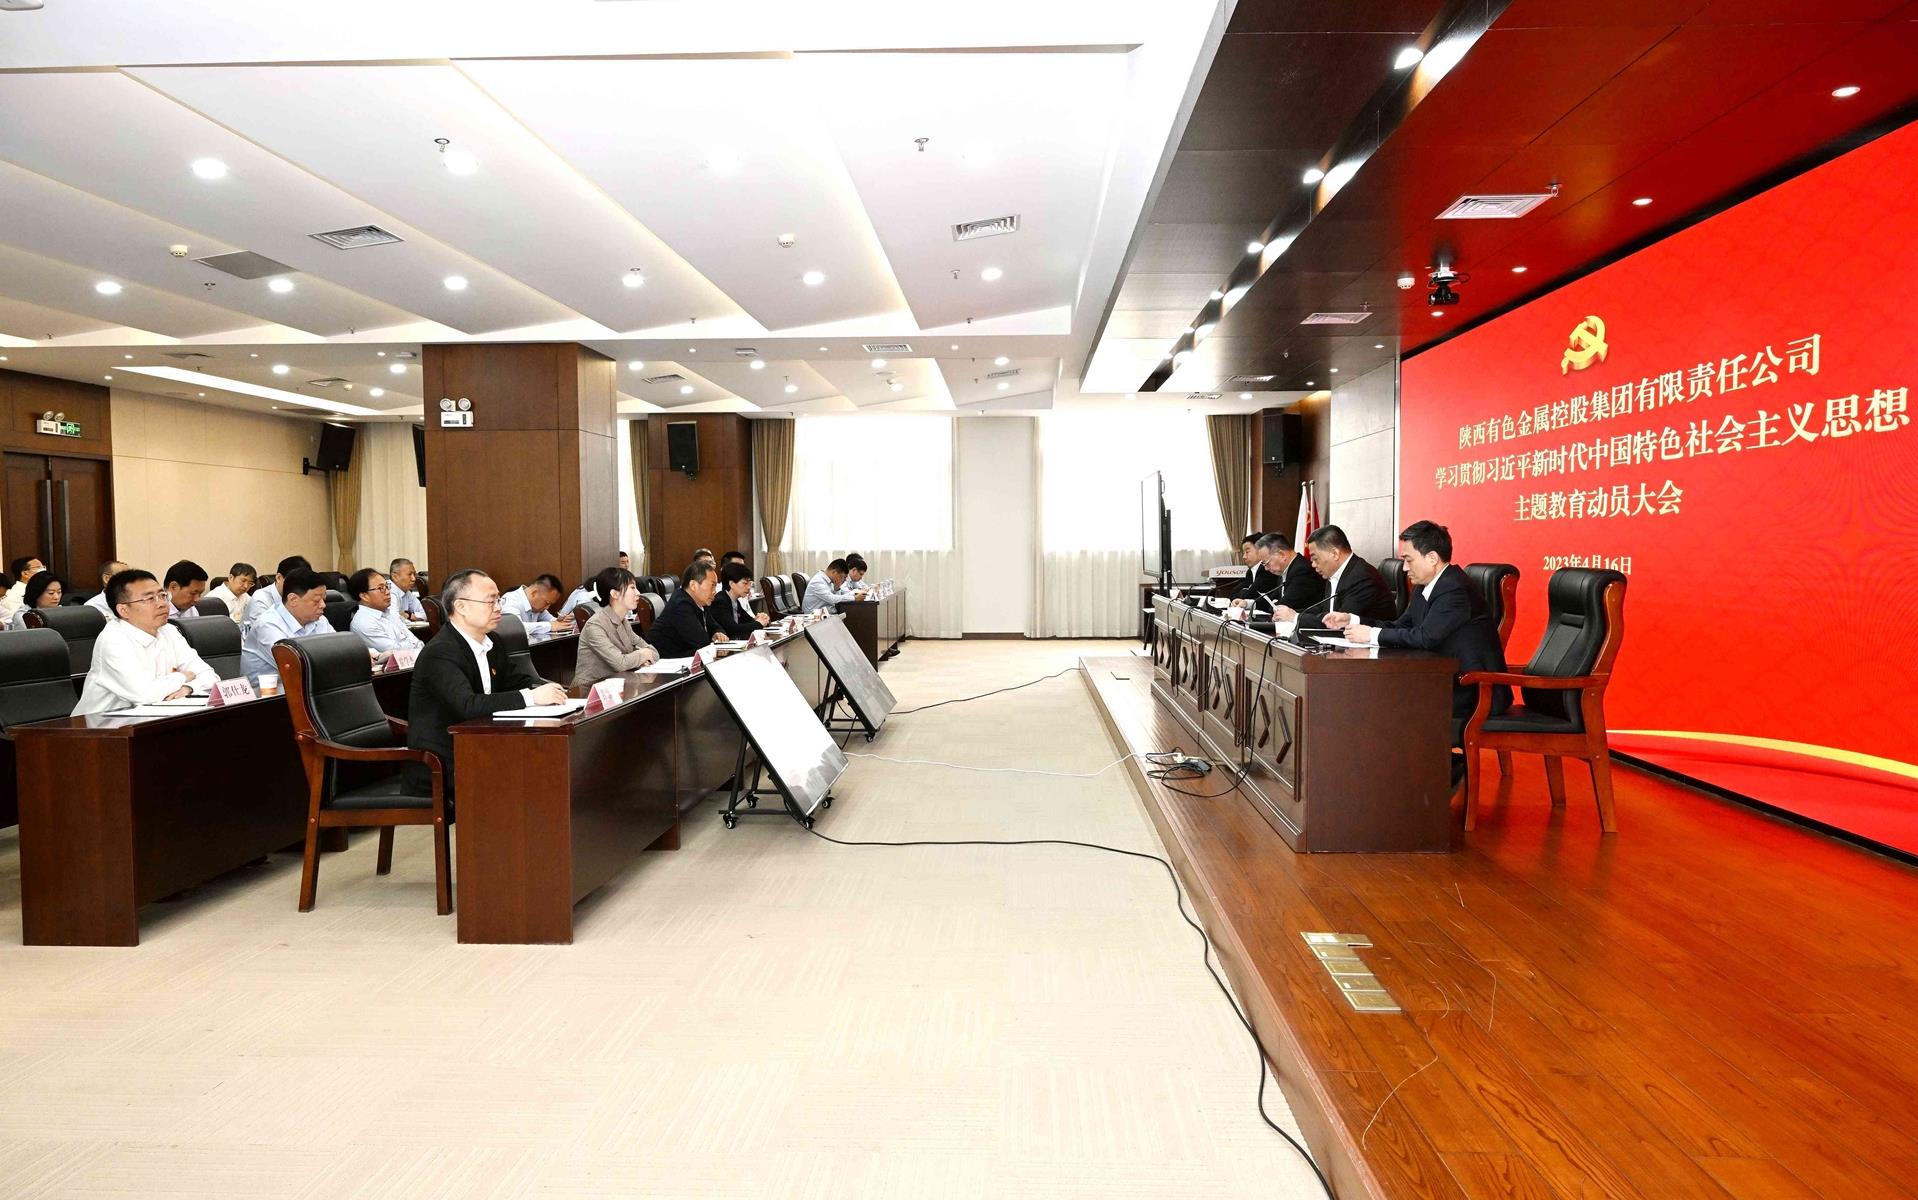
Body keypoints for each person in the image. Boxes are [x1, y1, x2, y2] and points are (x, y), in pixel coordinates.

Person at [1335, 520, 1511, 738]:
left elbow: (1425, 637)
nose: (1404, 568)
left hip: (1474, 689)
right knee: (1378, 694)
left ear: (1432, 558)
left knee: (1387, 700)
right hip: (1444, 680)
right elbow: (1400, 626)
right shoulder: (1425, 586)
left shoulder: (1455, 589)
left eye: (1408, 560)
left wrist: (1371, 634)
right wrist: (1353, 620)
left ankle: (1415, 759)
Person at [406, 568, 567, 800]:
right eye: (490, 601)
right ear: (461, 606)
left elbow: (517, 681)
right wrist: (532, 697)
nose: (499, 607)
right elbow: (468, 705)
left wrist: (551, 692)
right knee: (532, 775)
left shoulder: (493, 641)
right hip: (443, 764)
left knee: (548, 765)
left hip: (482, 748)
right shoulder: (440, 652)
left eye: (499, 600)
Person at [73, 568, 219, 715]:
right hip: (99, 724)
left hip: (153, 718)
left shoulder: (169, 630)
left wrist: (188, 688)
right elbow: (144, 695)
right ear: (124, 610)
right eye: (149, 599)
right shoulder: (113, 640)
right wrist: (183, 676)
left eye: (162, 595)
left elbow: (210, 676)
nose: (162, 604)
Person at [1288, 525, 1395, 628]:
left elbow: (1336, 622)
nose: (1313, 565)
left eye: (1315, 559)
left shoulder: (1363, 577)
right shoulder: (1335, 573)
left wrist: (1296, 618)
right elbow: (1325, 609)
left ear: (1335, 554)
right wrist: (1293, 613)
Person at [572, 567, 660, 689]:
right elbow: (620, 663)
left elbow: (653, 652)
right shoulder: (595, 626)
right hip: (589, 690)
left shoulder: (623, 621)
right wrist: (642, 655)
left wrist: (642, 656)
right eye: (632, 588)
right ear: (614, 594)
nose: (638, 593)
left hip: (616, 685)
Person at [240, 567, 332, 678]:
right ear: (293, 600)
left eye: (324, 599)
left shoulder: (320, 620)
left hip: (311, 684)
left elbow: (338, 652)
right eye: (316, 601)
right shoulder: (268, 625)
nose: (323, 605)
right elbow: (296, 666)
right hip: (271, 688)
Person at [650, 559, 729, 658]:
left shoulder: (701, 601)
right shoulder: (680, 605)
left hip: (685, 657)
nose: (715, 591)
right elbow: (702, 642)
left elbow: (715, 626)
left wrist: (718, 633)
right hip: (665, 661)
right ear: (693, 585)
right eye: (712, 585)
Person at [1237, 533, 1325, 619]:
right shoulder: (1285, 570)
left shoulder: (1302, 571)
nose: (1266, 569)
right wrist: (1248, 603)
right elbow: (1271, 599)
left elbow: (1284, 605)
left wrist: (1274, 604)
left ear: (1282, 555)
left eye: (1266, 563)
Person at [347, 567, 423, 657]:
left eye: (387, 586)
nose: (387, 592)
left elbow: (416, 641)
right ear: (364, 596)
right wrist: (415, 646)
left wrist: (417, 646)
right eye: (381, 588)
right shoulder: (364, 622)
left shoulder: (389, 613)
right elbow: (396, 652)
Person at [245, 555, 311, 626]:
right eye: (295, 583)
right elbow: (267, 630)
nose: (299, 588)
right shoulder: (260, 599)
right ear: (279, 578)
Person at [711, 561, 769, 640]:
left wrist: (761, 619)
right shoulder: (720, 602)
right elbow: (733, 630)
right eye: (745, 583)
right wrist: (758, 623)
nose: (749, 587)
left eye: (749, 583)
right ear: (731, 584)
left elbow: (749, 621)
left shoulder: (735, 601)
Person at [500, 573, 575, 632]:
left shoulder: (537, 607)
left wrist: (559, 621)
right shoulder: (511, 600)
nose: (547, 607)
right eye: (547, 603)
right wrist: (550, 626)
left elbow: (550, 620)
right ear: (534, 593)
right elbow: (515, 627)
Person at [388, 558, 427, 622]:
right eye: (409, 574)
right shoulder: (387, 592)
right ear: (395, 577)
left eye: (414, 574)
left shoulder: (406, 592)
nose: (414, 579)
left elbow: (425, 614)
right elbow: (395, 619)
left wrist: (409, 615)